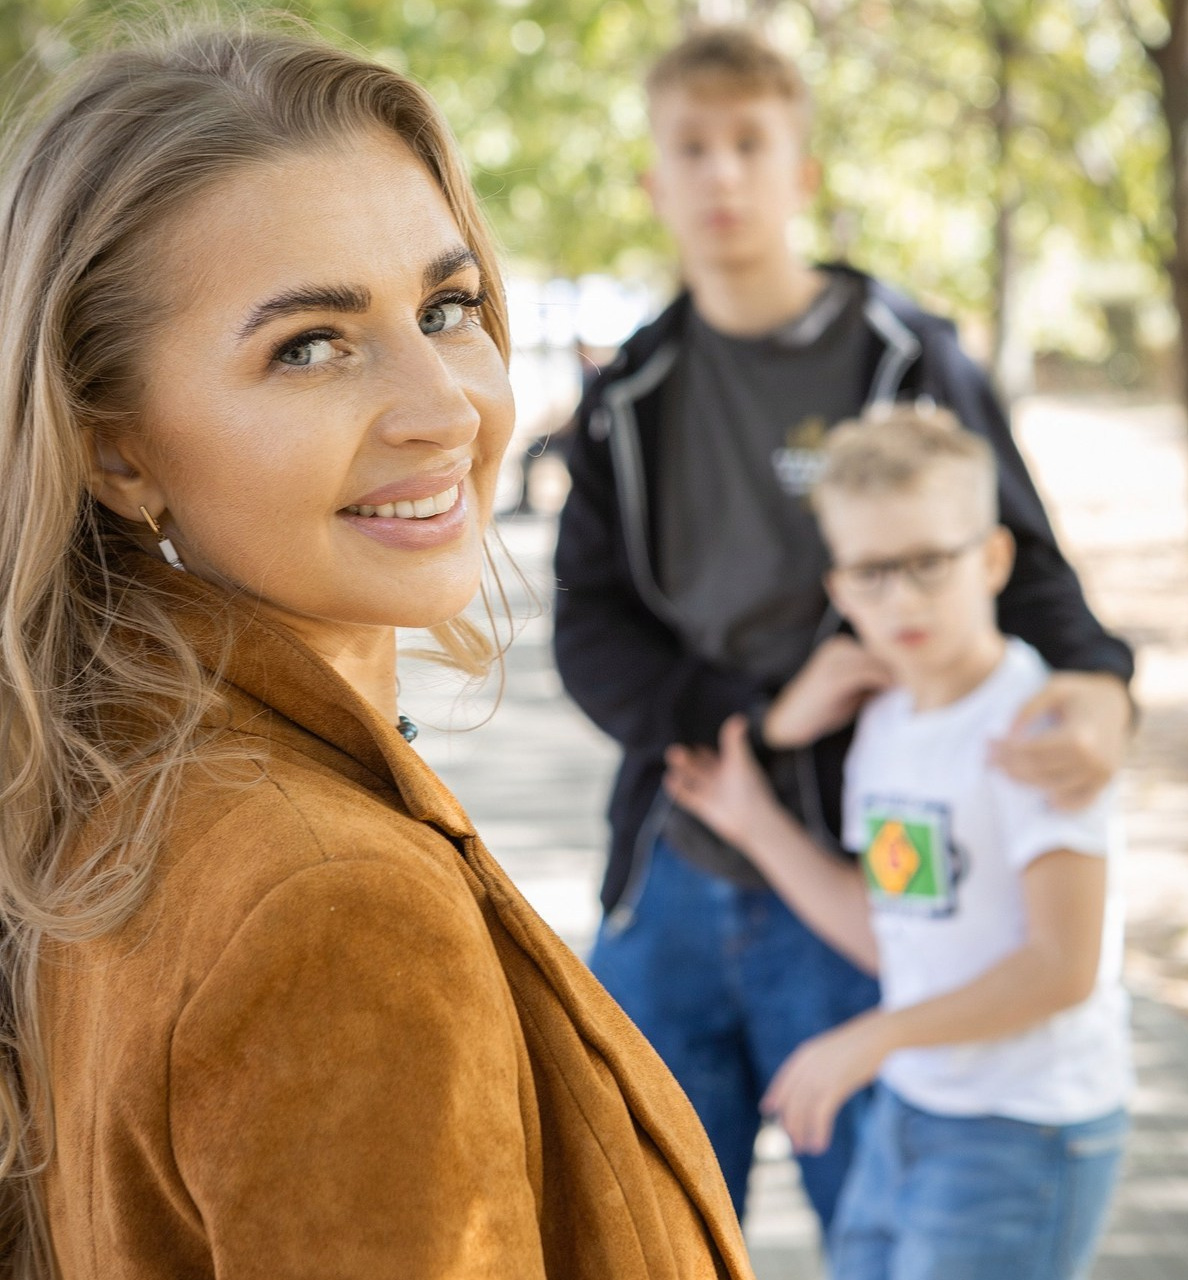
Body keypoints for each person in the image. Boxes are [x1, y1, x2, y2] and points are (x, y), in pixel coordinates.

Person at [0, 23, 754, 1279]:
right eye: (311, 344)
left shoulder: (99, 787)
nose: (446, 405)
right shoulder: (330, 903)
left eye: (447, 307)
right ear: (115, 449)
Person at [552, 24, 1134, 1230]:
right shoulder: (627, 396)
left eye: (748, 145)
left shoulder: (904, 356)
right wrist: (752, 716)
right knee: (642, 1222)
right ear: (654, 183)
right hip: (684, 849)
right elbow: (588, 632)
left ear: (799, 173)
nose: (720, 175)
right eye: (691, 149)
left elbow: (1019, 564)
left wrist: (1101, 686)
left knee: (873, 1231)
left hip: (857, 873)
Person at [665, 408, 1131, 1279]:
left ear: (992, 558)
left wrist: (870, 1038)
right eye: (873, 574)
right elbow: (893, 930)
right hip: (911, 1113)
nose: (902, 599)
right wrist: (756, 824)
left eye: (928, 564)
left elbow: (1066, 966)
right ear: (839, 592)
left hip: (1023, 1132)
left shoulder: (1040, 725)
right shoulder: (882, 728)